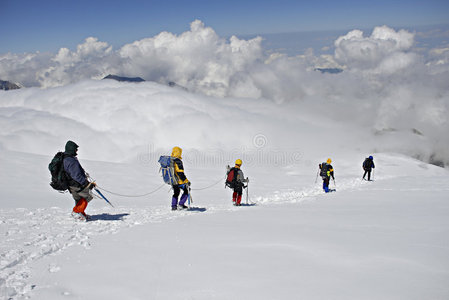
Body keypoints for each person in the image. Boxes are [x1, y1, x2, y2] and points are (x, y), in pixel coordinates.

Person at [63, 140, 96, 220]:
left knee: (78, 198)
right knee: (87, 197)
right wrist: (87, 184)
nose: (76, 151)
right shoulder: (71, 161)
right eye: (75, 149)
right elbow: (76, 175)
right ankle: (76, 212)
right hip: (76, 184)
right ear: (71, 149)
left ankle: (81, 214)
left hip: (70, 184)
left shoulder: (65, 157)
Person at [171, 146, 190, 210]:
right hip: (179, 181)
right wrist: (186, 181)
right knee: (187, 190)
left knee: (176, 193)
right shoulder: (178, 161)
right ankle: (181, 204)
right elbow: (180, 173)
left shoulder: (171, 160)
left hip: (173, 181)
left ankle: (174, 206)